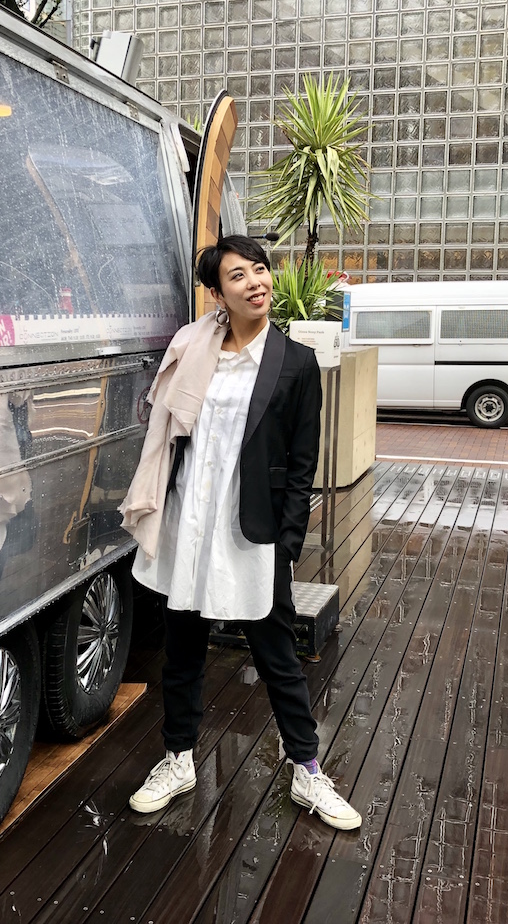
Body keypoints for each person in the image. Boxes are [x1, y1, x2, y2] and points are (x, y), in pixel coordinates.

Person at [119, 235, 360, 830]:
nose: (255, 282)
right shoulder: (194, 350)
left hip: (251, 530)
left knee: (277, 654)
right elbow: (171, 437)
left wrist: (288, 545)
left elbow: (302, 465)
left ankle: (307, 769)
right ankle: (178, 759)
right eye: (238, 276)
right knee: (182, 650)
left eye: (259, 270)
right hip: (189, 522)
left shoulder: (294, 362)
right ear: (217, 293)